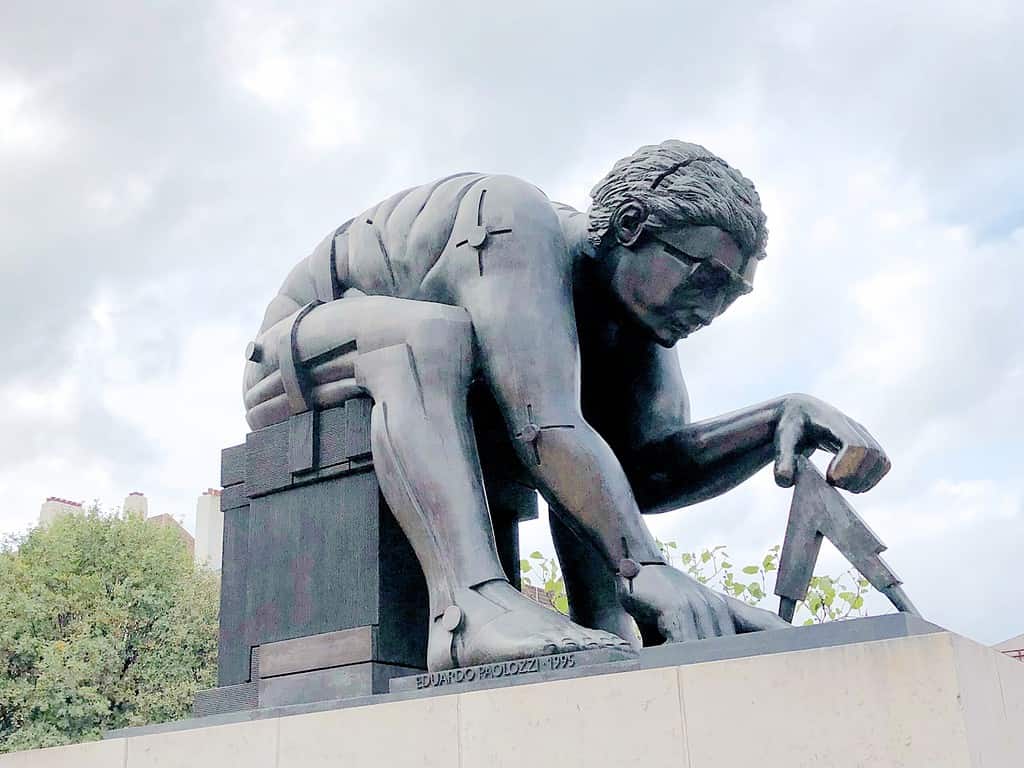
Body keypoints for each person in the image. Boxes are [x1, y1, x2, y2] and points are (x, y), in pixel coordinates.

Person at [242, 141, 890, 671]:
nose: (713, 311)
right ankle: (467, 612)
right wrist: (648, 569)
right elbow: (543, 427)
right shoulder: (514, 218)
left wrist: (775, 422)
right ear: (632, 225)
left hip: (437, 400)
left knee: (587, 451)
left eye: (732, 295)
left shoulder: (638, 321)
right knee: (432, 339)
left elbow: (641, 473)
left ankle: (611, 631)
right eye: (706, 279)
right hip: (292, 358)